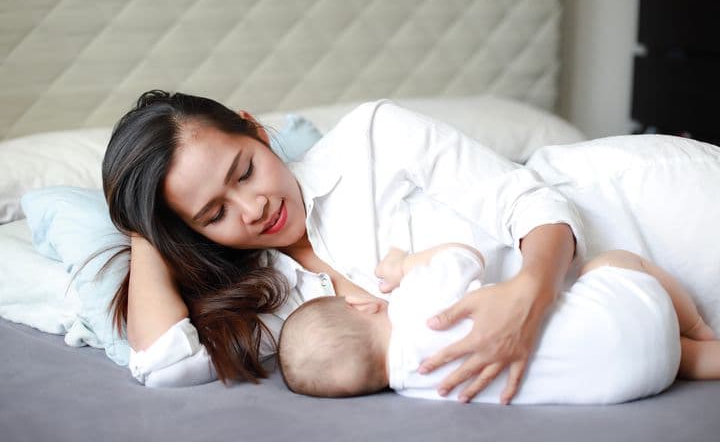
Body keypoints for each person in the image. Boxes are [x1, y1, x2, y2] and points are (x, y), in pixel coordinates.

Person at [102, 90, 679, 402]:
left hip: (643, 214)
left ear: (256, 129)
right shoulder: (264, 298)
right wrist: (146, 228)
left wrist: (530, 294)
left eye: (245, 171)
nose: (253, 209)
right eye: (215, 214)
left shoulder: (373, 139)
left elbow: (534, 205)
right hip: (614, 326)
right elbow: (165, 364)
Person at [277, 245, 718, 403]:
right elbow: (464, 256)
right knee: (615, 260)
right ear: (360, 306)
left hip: (634, 379)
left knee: (671, 355)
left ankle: (693, 354)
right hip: (626, 314)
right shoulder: (413, 307)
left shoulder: (422, 390)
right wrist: (404, 264)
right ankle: (699, 328)